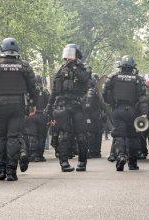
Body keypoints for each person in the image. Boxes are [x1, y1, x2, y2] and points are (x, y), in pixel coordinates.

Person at [0, 38, 37, 181]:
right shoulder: (25, 66)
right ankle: (11, 172)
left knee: (0, 137)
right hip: (17, 105)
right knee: (13, 137)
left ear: (1, 50)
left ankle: (1, 171)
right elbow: (33, 88)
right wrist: (33, 104)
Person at [45, 44, 92, 172]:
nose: (68, 58)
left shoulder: (84, 67)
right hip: (63, 104)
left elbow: (84, 78)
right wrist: (48, 107)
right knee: (63, 135)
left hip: (78, 104)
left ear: (76, 55)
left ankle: (82, 163)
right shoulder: (61, 70)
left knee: (81, 135)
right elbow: (55, 91)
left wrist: (74, 67)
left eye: (71, 55)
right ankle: (64, 163)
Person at [102, 55, 148, 171]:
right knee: (133, 136)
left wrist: (112, 103)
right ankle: (132, 163)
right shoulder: (138, 79)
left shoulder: (113, 77)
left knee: (120, 135)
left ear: (120, 65)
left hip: (118, 109)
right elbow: (142, 98)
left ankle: (121, 156)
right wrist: (144, 113)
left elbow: (105, 93)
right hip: (133, 111)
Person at [24, 75, 50, 162]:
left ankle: (32, 154)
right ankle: (39, 155)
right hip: (42, 115)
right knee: (42, 136)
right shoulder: (45, 92)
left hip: (31, 115)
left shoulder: (28, 91)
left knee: (32, 136)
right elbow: (49, 105)